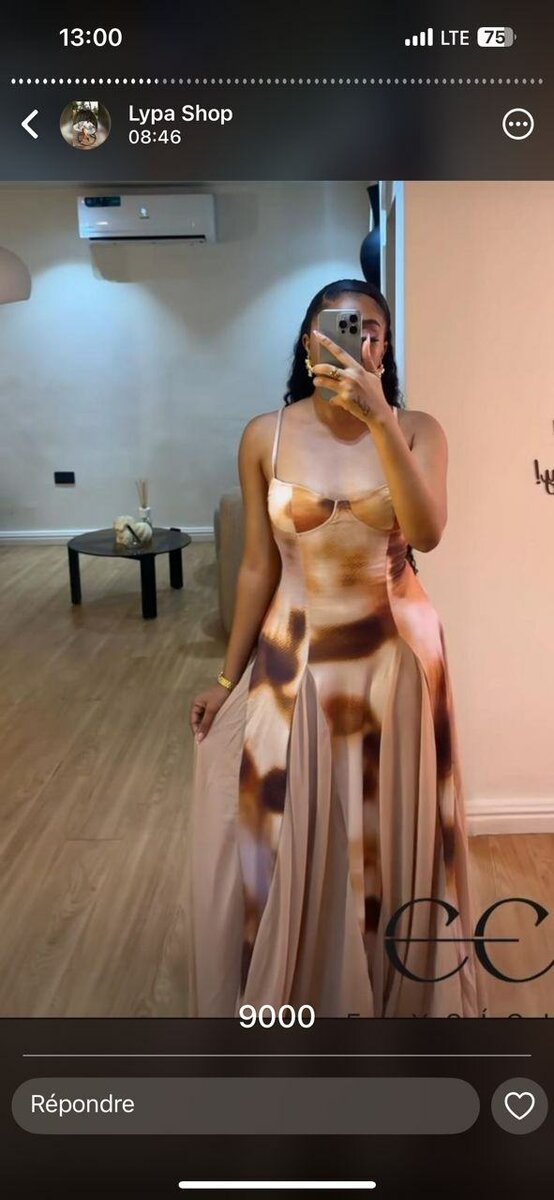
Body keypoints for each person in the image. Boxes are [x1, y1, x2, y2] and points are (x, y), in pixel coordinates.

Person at [185, 278, 486, 1018]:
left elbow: (427, 533)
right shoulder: (265, 436)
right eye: (339, 326)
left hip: (396, 660)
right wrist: (226, 679)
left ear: (385, 346)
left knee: (388, 830)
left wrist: (380, 418)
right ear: (307, 341)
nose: (359, 338)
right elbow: (257, 567)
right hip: (294, 657)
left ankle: (395, 994)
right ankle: (305, 988)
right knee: (288, 827)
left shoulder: (419, 430)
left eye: (372, 328)